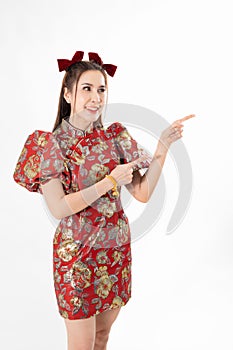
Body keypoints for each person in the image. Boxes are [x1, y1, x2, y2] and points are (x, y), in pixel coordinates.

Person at [13, 50, 195, 350]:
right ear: (68, 94)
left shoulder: (115, 137)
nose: (96, 97)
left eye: (101, 89)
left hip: (114, 251)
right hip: (76, 256)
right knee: (82, 344)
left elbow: (142, 193)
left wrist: (163, 145)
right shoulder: (49, 145)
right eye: (87, 89)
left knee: (101, 338)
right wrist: (110, 181)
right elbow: (58, 207)